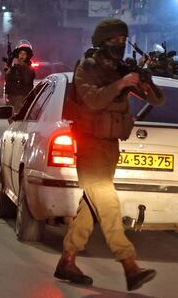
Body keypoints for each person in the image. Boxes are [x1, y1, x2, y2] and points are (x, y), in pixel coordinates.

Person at [55, 19, 163, 292]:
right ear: (102, 42)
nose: (120, 45)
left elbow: (156, 100)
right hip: (89, 144)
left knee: (90, 207)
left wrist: (144, 78)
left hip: (110, 146)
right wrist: (122, 83)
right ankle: (129, 265)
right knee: (108, 203)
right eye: (114, 40)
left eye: (123, 40)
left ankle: (68, 260)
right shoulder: (87, 68)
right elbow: (92, 101)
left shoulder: (120, 70)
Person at [4, 40, 35, 110]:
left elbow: (27, 79)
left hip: (23, 100)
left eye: (24, 54)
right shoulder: (13, 67)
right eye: (20, 53)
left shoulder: (29, 68)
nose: (22, 56)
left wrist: (20, 65)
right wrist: (10, 66)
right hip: (12, 99)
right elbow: (7, 79)